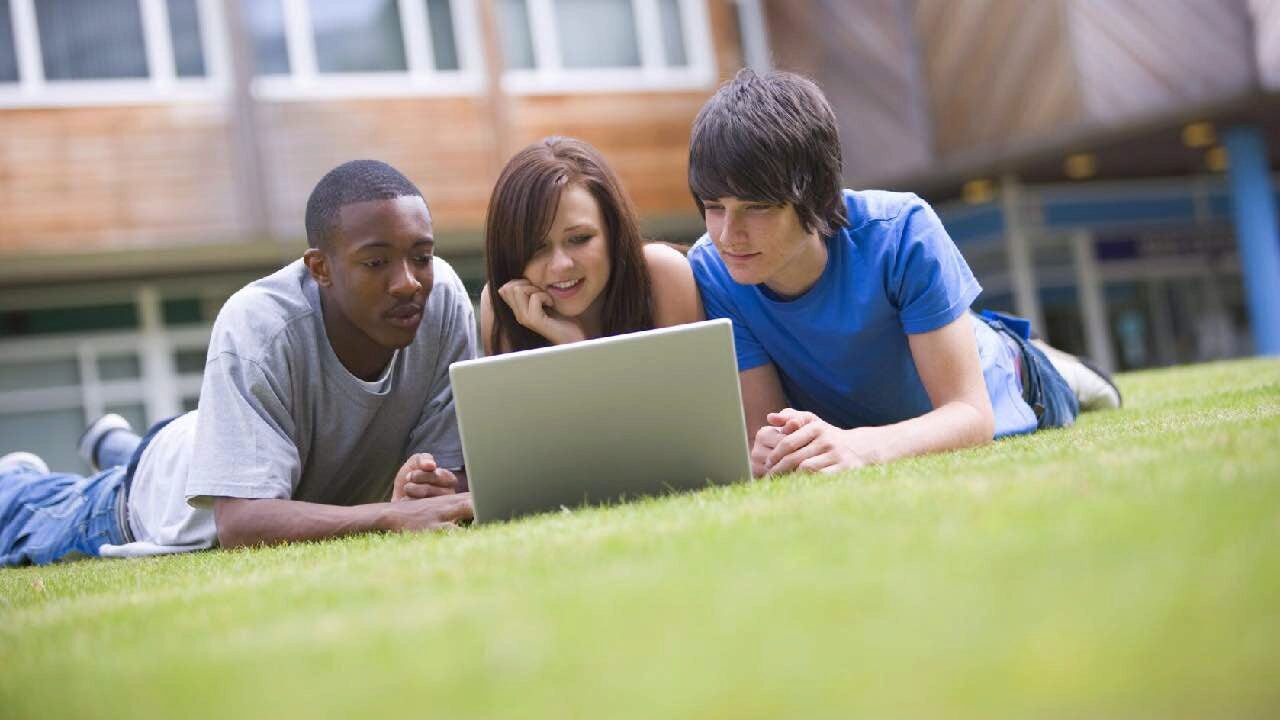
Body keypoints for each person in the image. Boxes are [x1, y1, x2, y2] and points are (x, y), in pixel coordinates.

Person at [0, 160, 476, 566]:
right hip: (161, 489)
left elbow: (447, 485)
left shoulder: (444, 300)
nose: (408, 282)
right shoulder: (258, 325)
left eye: (422, 256)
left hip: (228, 441)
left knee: (175, 444)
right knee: (33, 515)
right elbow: (240, 523)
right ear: (320, 269)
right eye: (376, 263)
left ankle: (114, 443)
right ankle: (21, 477)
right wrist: (391, 516)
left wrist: (428, 484)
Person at [685, 70, 1121, 478]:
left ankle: (1049, 361)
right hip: (877, 408)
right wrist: (769, 447)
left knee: (1048, 379)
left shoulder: (902, 230)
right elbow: (770, 429)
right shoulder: (713, 269)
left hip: (1016, 384)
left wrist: (861, 447)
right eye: (713, 207)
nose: (729, 234)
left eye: (756, 208)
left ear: (815, 196)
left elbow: (971, 414)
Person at [480, 136, 702, 354]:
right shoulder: (500, 305)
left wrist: (577, 348)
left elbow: (695, 390)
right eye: (537, 248)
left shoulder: (662, 275)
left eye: (579, 239)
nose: (561, 264)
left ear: (613, 231)